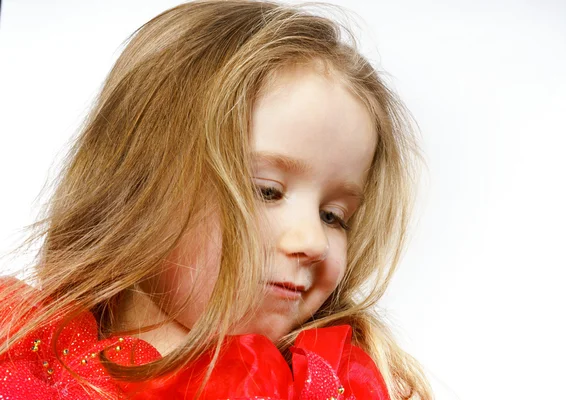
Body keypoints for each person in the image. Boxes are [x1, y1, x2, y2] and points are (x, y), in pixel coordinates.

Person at [0, 1, 432, 399]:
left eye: (334, 216)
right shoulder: (27, 366)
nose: (314, 241)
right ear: (142, 187)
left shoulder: (334, 383)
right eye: (267, 191)